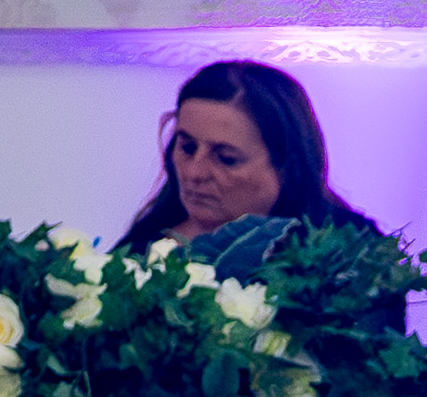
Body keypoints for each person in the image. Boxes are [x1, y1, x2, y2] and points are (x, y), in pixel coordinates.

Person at [110, 59, 372, 270]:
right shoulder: (137, 257)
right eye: (187, 148)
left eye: (226, 158)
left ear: (288, 166)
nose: (194, 172)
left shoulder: (352, 255)